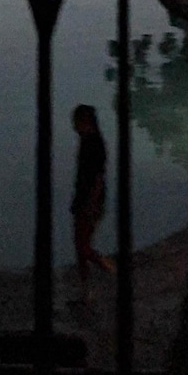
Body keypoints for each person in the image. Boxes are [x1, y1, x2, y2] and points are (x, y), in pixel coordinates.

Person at [67, 105, 111, 275]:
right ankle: (85, 281)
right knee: (79, 243)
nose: (74, 126)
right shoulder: (86, 140)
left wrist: (92, 203)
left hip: (91, 199)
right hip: (82, 197)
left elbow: (98, 177)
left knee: (83, 244)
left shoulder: (95, 144)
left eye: (76, 121)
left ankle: (105, 266)